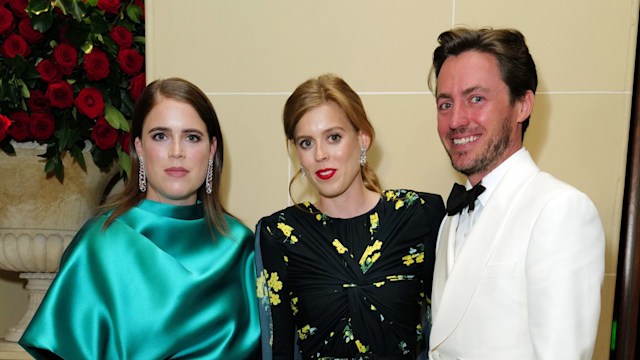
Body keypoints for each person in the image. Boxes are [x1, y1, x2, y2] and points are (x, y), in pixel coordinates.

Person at [19, 78, 260, 359]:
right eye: (161, 136)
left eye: (192, 137)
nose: (177, 151)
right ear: (140, 149)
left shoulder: (242, 247)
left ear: (212, 150)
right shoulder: (100, 244)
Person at [427, 27, 605, 359]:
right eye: (445, 103)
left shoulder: (560, 210)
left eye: (476, 98)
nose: (455, 120)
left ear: (522, 105)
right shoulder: (449, 222)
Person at [255, 73, 446, 359]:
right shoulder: (279, 234)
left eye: (333, 137)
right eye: (306, 143)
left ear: (363, 139)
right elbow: (277, 346)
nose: (320, 155)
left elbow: (445, 334)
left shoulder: (419, 214)